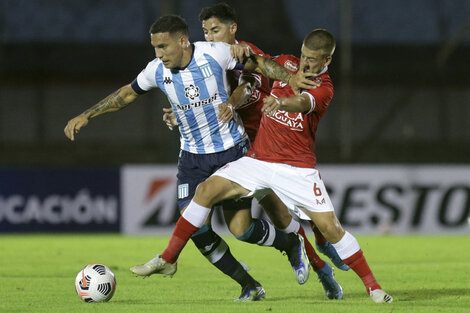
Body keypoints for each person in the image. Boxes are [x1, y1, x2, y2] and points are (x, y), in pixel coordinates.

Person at [64, 14, 317, 301]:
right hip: (192, 159)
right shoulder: (156, 70)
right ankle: (250, 286)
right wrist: (88, 113)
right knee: (195, 228)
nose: (159, 54)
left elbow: (257, 63)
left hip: (230, 153)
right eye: (155, 48)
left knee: (241, 230)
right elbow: (127, 93)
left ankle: (289, 244)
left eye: (163, 47)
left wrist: (290, 77)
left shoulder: (214, 54)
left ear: (183, 41)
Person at [135, 28, 393, 303]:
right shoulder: (285, 65)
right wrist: (236, 48)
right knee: (205, 192)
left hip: (296, 168)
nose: (306, 63)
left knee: (331, 228)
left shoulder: (324, 88)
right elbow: (252, 66)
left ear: (327, 61)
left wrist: (281, 101)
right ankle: (169, 258)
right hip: (257, 160)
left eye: (313, 60)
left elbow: (301, 102)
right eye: (304, 55)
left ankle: (372, 287)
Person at [165, 2, 346, 299]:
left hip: (268, 143)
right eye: (206, 31)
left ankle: (321, 255)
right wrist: (178, 115)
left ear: (232, 29)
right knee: (258, 222)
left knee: (291, 213)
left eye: (216, 30)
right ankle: (316, 265)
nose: (210, 37)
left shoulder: (245, 52)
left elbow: (249, 85)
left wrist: (233, 101)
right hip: (237, 150)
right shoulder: (202, 60)